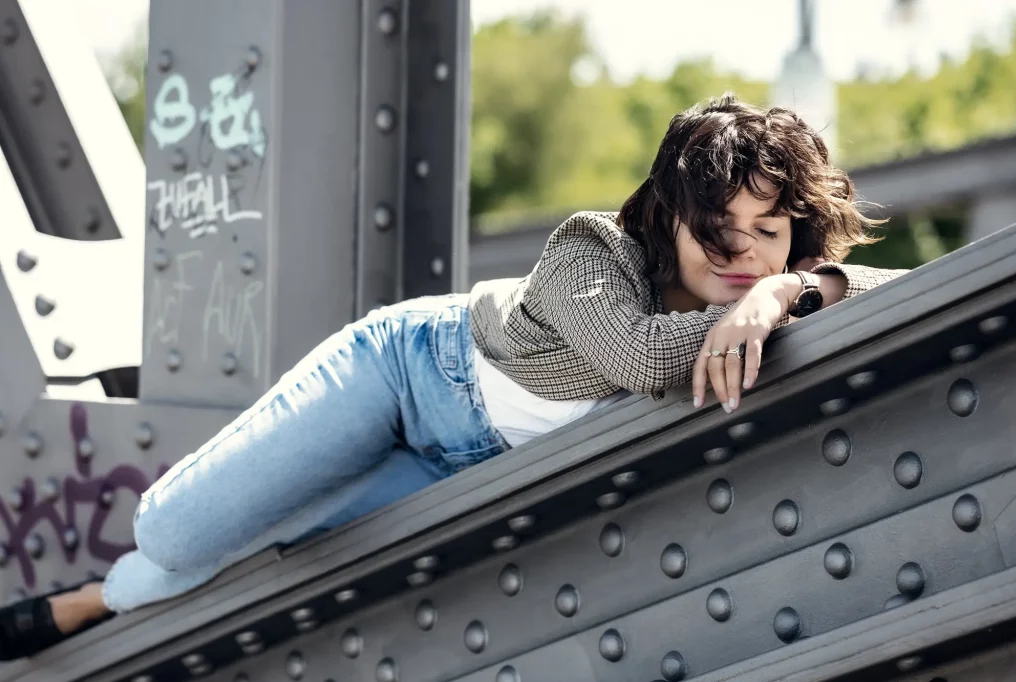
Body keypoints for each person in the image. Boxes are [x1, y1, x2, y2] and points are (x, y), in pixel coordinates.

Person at [0, 94, 907, 659]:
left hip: (460, 465)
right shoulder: (593, 251)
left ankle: (86, 605)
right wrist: (764, 306)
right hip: (407, 376)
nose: (744, 253)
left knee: (265, 559)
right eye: (720, 228)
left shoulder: (778, 286)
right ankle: (97, 592)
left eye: (772, 230)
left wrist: (796, 289)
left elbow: (914, 287)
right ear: (670, 217)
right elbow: (639, 356)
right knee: (178, 530)